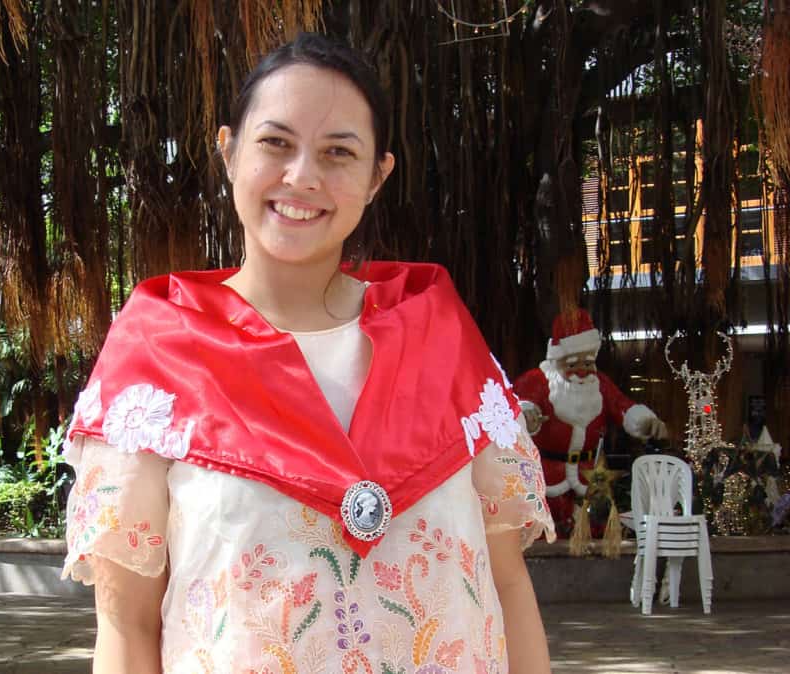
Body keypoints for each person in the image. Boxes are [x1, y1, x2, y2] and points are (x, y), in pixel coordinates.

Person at [62, 33, 555, 674]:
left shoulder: (441, 340)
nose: (303, 176)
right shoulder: (156, 362)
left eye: (338, 152)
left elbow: (507, 584)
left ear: (378, 176)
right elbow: (126, 625)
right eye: (275, 143)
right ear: (229, 151)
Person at [513, 309, 668, 537]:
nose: (582, 370)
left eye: (588, 362)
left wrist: (646, 422)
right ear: (558, 359)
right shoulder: (537, 381)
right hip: (546, 477)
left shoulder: (599, 385)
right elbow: (518, 406)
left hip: (589, 475)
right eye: (573, 363)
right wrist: (526, 415)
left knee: (592, 532)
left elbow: (622, 407)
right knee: (545, 534)